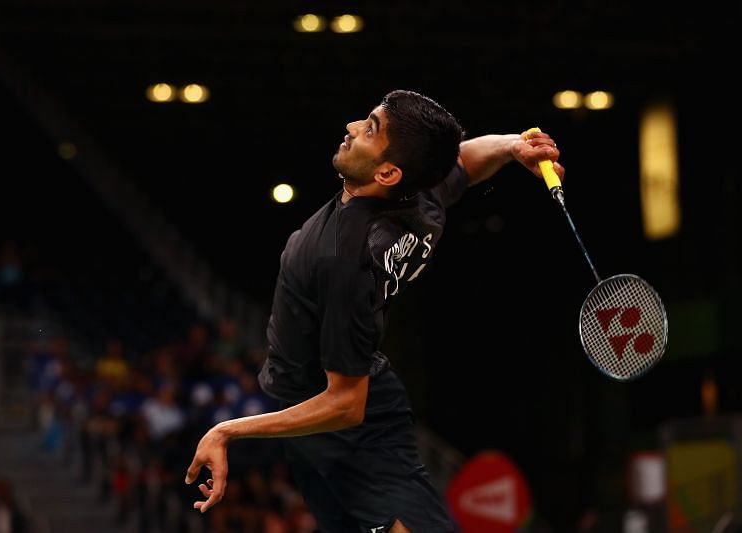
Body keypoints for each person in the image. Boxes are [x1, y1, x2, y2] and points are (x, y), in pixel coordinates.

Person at [184, 89, 564, 532]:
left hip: (344, 419)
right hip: (314, 419)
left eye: (370, 129)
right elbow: (460, 163)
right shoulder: (419, 198)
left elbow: (346, 404)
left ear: (387, 172)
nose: (351, 128)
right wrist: (512, 145)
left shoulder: (341, 259)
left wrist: (228, 430)